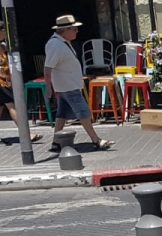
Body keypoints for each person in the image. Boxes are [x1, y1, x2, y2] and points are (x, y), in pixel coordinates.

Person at [44, 15, 113, 151]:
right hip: (68, 86)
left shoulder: (63, 42)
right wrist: (48, 88)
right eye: (74, 29)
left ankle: (56, 142)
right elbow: (48, 68)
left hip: (68, 85)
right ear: (65, 30)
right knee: (83, 113)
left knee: (62, 114)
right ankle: (96, 140)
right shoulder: (55, 45)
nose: (77, 31)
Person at [0, 22, 43, 144]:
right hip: (1, 82)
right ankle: (26, 134)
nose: (6, 34)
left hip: (6, 81)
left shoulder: (3, 45)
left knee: (2, 107)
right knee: (12, 105)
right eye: (4, 31)